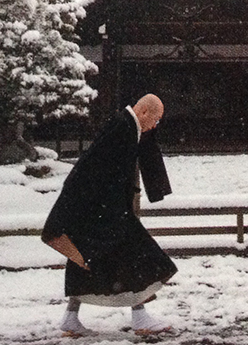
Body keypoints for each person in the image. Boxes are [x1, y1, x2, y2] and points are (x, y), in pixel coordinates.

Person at [42, 94, 177, 337]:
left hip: (95, 208)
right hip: (101, 210)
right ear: (144, 113)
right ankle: (140, 317)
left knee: (89, 260)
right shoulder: (122, 129)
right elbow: (97, 172)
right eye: (155, 120)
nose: (155, 126)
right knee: (133, 255)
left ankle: (71, 317)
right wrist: (112, 212)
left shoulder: (126, 127)